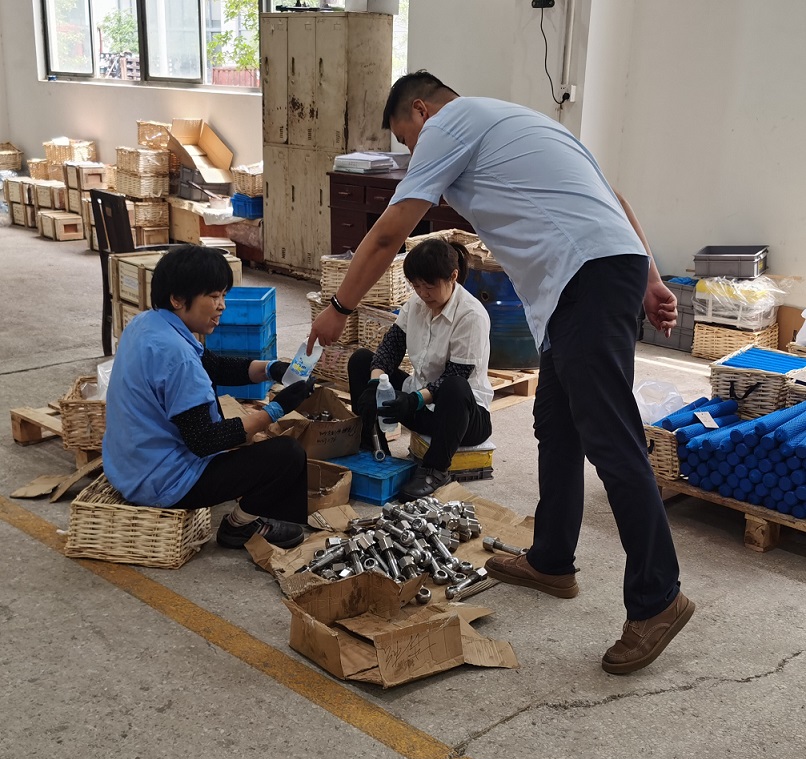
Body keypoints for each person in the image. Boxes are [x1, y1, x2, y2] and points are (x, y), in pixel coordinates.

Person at [309, 70, 694, 674]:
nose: (413, 154)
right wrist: (647, 276)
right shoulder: (523, 120)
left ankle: (658, 598)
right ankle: (552, 560)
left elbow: (388, 233)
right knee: (556, 426)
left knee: (612, 438)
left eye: (407, 139)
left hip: (585, 279)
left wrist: (339, 306)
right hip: (591, 275)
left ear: (421, 110)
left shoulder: (450, 124)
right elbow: (614, 200)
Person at [103, 245, 314, 551]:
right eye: (214, 296)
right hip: (163, 483)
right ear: (178, 299)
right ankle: (239, 527)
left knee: (227, 417)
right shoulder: (178, 357)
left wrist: (272, 369)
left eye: (223, 295)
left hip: (128, 466)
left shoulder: (147, 324)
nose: (222, 306)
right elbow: (205, 441)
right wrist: (277, 409)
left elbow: (214, 366)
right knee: (287, 454)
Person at [349, 238, 493, 500]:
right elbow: (391, 347)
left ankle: (435, 470)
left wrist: (413, 400)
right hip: (420, 406)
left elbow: (456, 375)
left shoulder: (471, 315)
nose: (423, 294)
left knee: (455, 387)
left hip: (461, 419)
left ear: (453, 276)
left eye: (430, 286)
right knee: (361, 361)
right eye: (417, 286)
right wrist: (374, 385)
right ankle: (373, 444)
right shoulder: (415, 305)